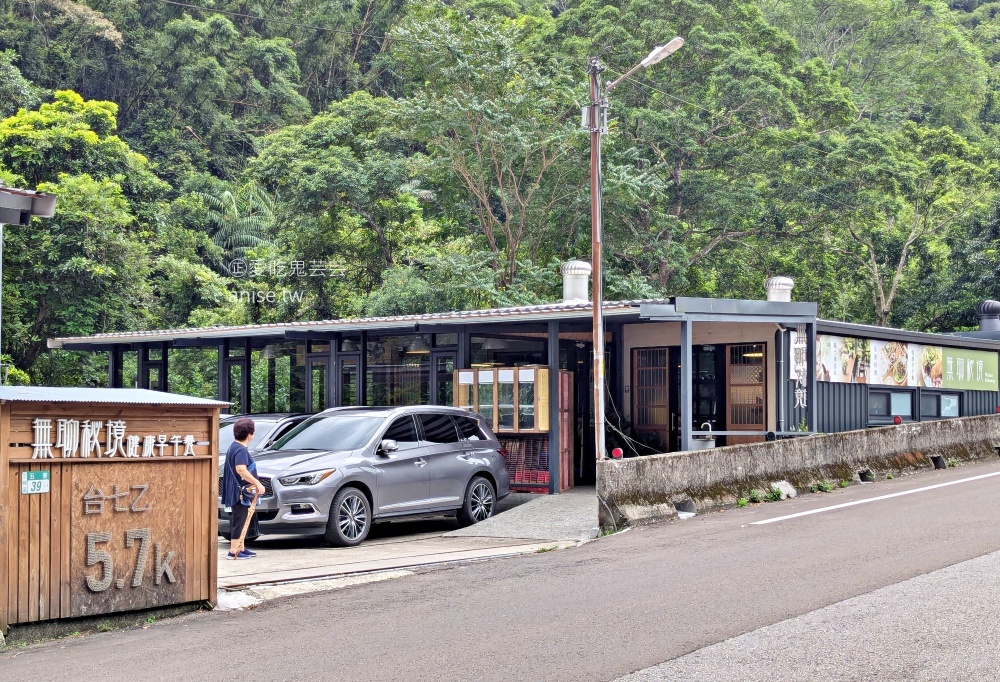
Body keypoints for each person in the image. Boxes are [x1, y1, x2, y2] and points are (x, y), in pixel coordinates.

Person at [222, 417, 266, 560]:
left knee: (241, 518)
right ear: (250, 434)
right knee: (239, 520)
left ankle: (241, 547)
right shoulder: (240, 450)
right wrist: (257, 483)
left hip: (235, 490)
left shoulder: (233, 447)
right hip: (240, 492)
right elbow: (241, 469)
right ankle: (233, 551)